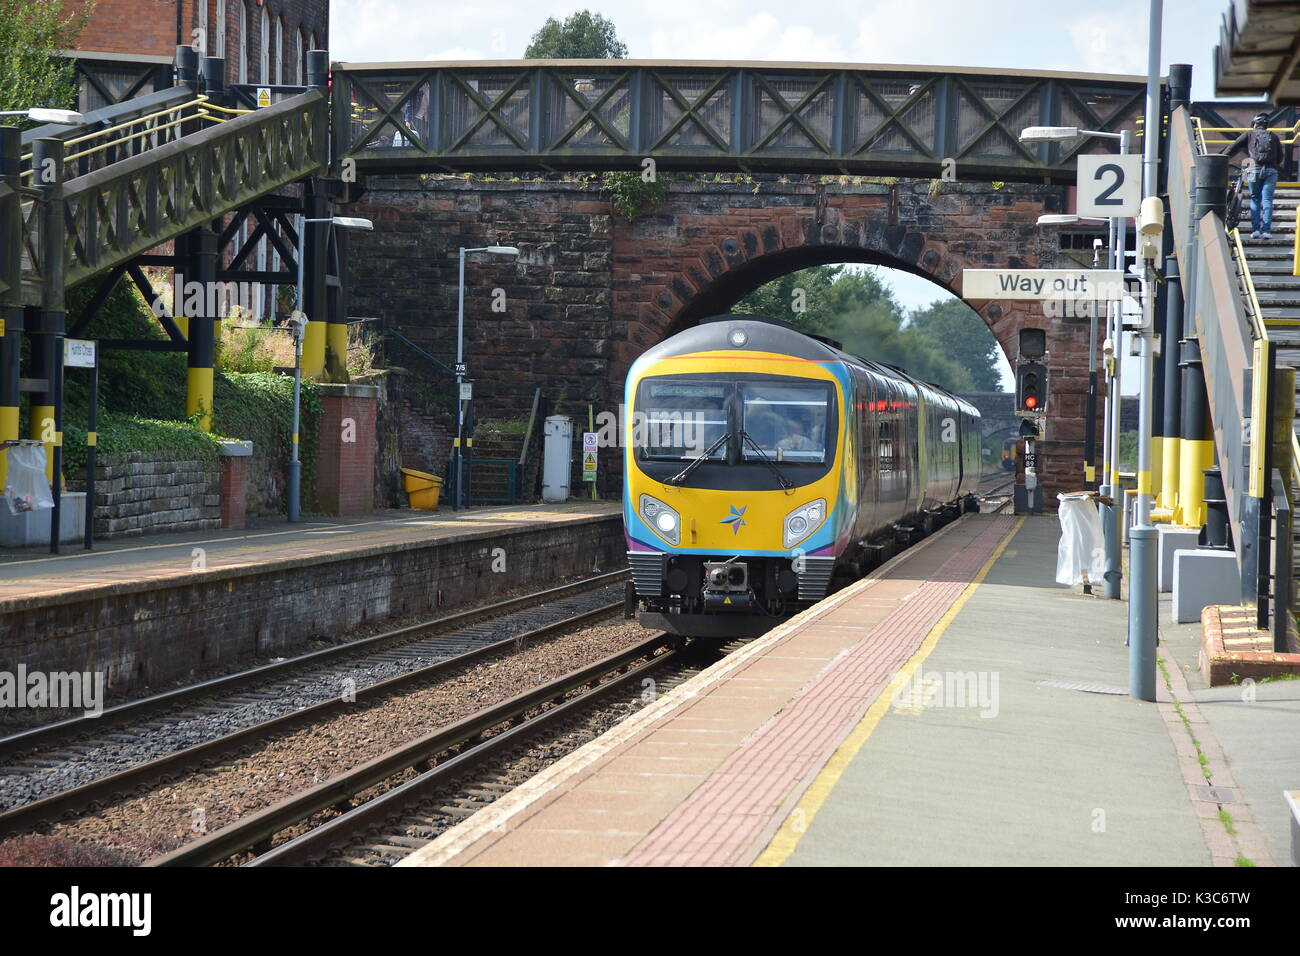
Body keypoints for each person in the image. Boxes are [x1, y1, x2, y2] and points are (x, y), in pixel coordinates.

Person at [1224, 112, 1286, 239]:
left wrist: (1222, 157)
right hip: (1271, 171)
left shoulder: (1249, 134)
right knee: (1267, 200)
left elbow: (1233, 147)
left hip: (1253, 169)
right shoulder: (1273, 136)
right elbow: (1280, 157)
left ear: (1255, 124)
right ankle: (1266, 231)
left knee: (1255, 198)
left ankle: (1256, 230)